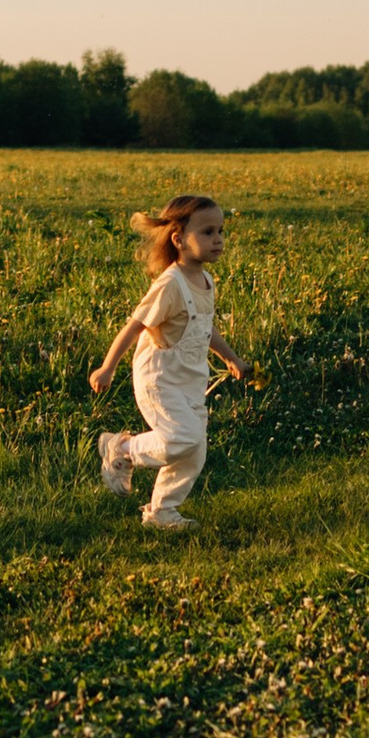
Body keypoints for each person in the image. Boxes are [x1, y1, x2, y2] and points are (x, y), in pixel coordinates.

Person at [89, 194, 246, 534]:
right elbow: (135, 325)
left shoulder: (205, 281)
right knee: (182, 437)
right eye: (207, 232)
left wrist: (231, 358)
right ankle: (123, 448)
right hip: (158, 380)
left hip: (189, 379)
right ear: (179, 239)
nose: (217, 239)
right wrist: (108, 367)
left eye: (220, 231)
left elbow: (203, 328)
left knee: (194, 450)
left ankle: (161, 511)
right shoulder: (169, 285)